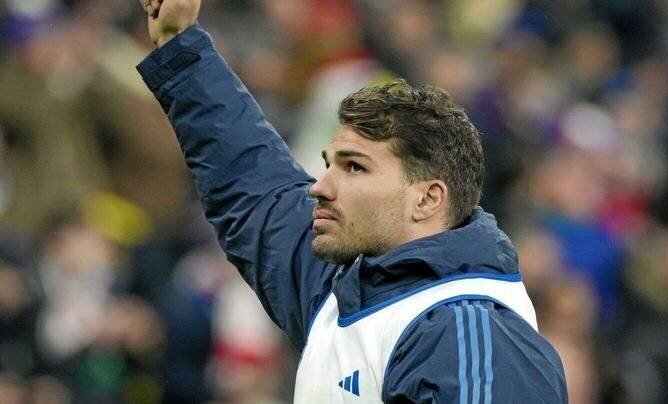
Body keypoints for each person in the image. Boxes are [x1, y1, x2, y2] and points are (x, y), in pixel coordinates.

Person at [136, 0, 567, 402]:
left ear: (427, 198)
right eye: (330, 165)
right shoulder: (350, 287)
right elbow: (255, 184)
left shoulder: (470, 333)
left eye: (355, 167)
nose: (320, 187)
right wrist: (180, 43)